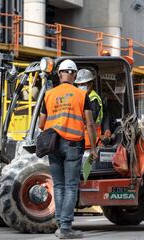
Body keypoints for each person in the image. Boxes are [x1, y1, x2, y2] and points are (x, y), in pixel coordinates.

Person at [38, 59, 98, 239]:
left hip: (53, 144)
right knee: (71, 186)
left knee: (58, 185)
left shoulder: (48, 94)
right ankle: (65, 228)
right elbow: (89, 123)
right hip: (72, 144)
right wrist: (93, 148)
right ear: (73, 75)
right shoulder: (81, 95)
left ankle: (60, 225)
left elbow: (41, 124)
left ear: (59, 74)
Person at [74, 69, 111, 148]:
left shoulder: (93, 99)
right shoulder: (82, 97)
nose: (80, 87)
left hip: (89, 139)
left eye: (83, 84)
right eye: (78, 84)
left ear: (90, 84)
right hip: (82, 138)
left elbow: (90, 121)